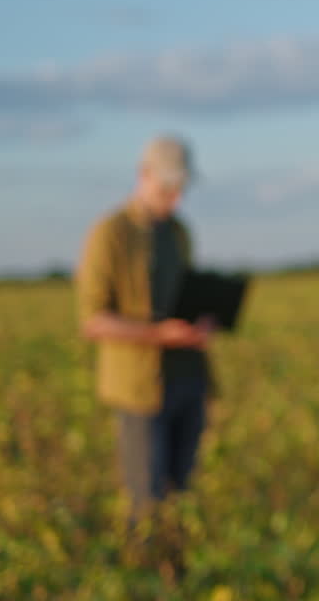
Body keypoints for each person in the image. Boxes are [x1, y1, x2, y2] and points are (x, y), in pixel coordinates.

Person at [75, 135, 215, 539]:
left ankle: (177, 573)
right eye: (167, 187)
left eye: (180, 188)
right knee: (145, 500)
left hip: (188, 377)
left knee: (182, 495)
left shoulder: (180, 232)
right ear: (143, 176)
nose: (174, 197)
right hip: (140, 387)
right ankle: (144, 576)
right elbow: (93, 321)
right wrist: (158, 335)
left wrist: (199, 324)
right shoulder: (110, 233)